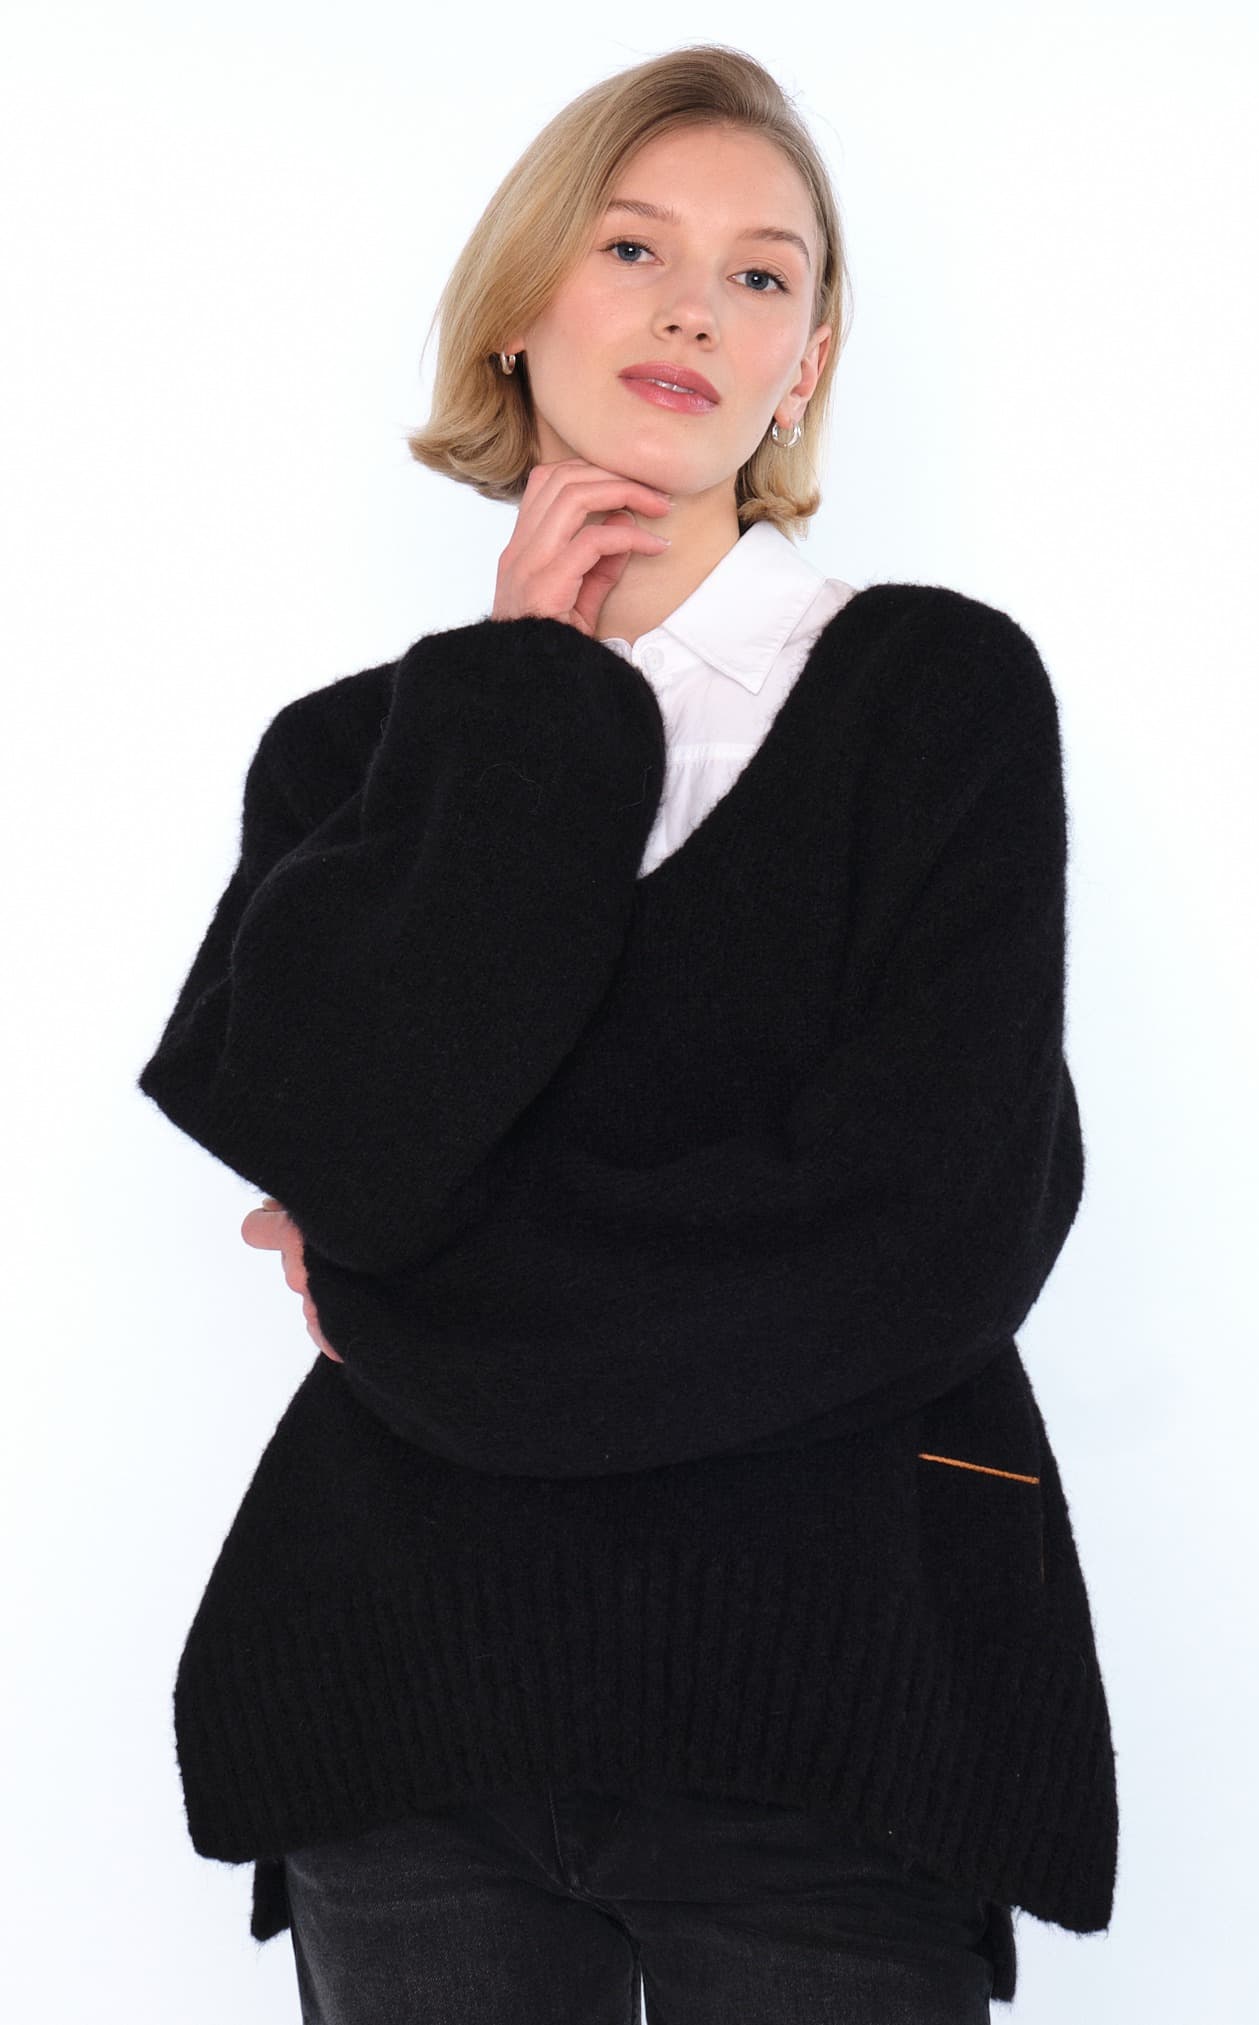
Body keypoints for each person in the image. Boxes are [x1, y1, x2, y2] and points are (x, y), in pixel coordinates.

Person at [137, 42, 1117, 2024]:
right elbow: (341, 1134)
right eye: (633, 247)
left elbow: (929, 1237)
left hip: (828, 1712)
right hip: (406, 1707)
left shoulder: (934, 696)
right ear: (520, 308)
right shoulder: (354, 757)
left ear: (805, 364)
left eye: (761, 275)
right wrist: (517, 697)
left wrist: (425, 1287)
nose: (694, 308)